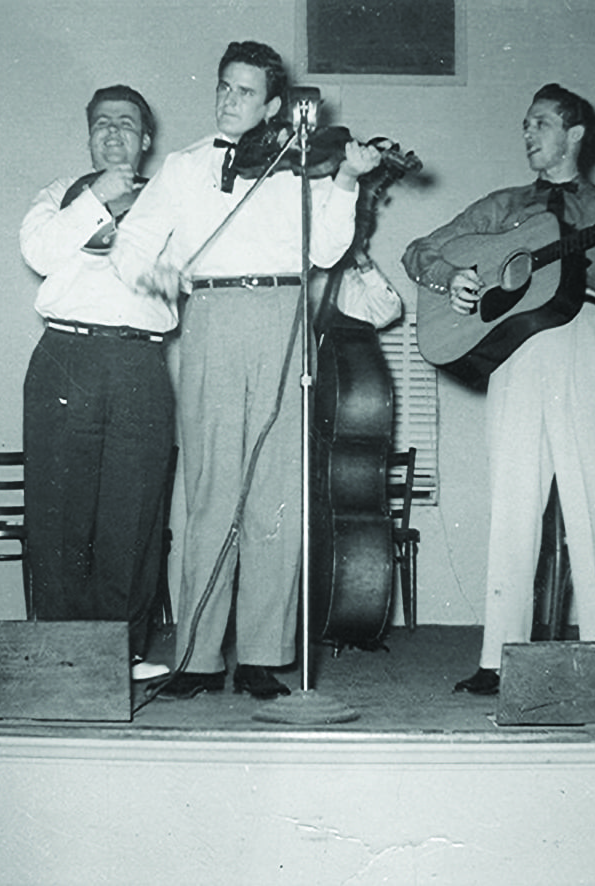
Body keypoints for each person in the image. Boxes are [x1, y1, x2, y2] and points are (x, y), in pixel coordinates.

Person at [111, 41, 381, 700]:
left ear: (275, 105)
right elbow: (133, 244)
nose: (230, 101)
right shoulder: (181, 167)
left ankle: (263, 653)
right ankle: (198, 657)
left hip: (284, 312)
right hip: (212, 314)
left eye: (244, 92)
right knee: (209, 491)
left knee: (276, 494)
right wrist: (156, 274)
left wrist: (347, 180)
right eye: (224, 88)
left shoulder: (300, 166)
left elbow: (326, 248)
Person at [402, 83, 595, 695]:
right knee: (513, 502)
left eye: (542, 124)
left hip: (582, 335)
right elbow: (419, 251)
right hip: (516, 351)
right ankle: (499, 660)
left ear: (575, 134)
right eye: (525, 124)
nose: (528, 134)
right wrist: (456, 279)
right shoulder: (504, 205)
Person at [20, 84, 175, 682]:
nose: (113, 133)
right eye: (102, 124)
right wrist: (99, 201)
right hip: (66, 356)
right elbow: (39, 252)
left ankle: (119, 656)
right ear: (89, 136)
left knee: (132, 516)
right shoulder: (59, 194)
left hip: (139, 362)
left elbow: (174, 280)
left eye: (127, 124)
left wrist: (129, 239)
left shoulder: (168, 200)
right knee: (59, 514)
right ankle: (61, 658)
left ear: (145, 138)